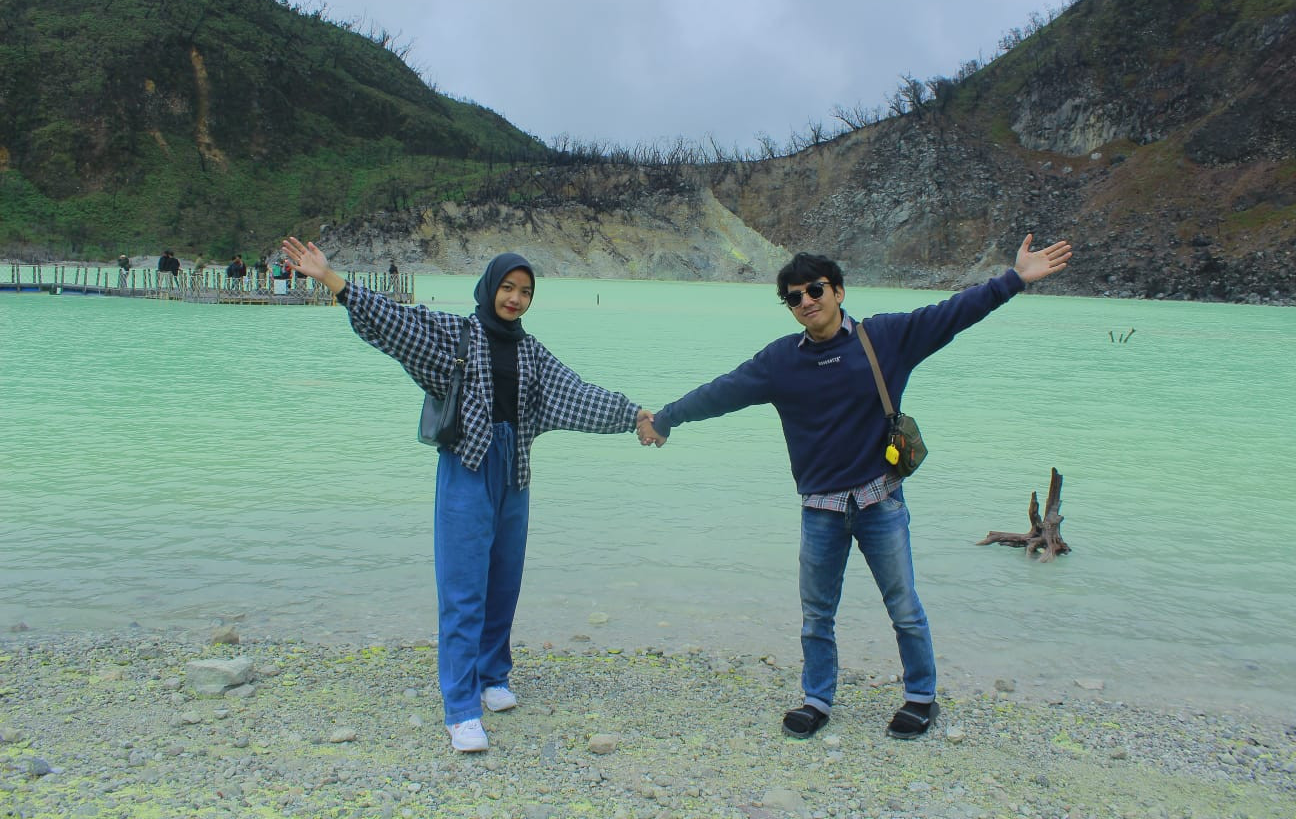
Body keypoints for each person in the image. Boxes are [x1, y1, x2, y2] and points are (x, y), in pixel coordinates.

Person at [636, 234, 1072, 742]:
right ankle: (817, 699)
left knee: (903, 607)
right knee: (816, 615)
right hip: (820, 508)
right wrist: (665, 418)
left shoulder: (885, 338)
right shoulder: (780, 361)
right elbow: (721, 391)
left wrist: (1014, 279)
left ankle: (921, 698)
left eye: (815, 290)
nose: (806, 301)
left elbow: (953, 313)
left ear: (838, 291)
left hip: (880, 501)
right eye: (794, 297)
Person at [280, 237, 655, 754]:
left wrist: (633, 415)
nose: (515, 299)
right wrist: (332, 280)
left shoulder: (530, 352)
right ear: (489, 287)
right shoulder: (453, 333)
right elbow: (393, 322)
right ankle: (460, 708)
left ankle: (492, 674)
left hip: (514, 471)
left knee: (504, 581)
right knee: (463, 587)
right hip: (466, 468)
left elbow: (577, 393)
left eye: (525, 291)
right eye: (508, 288)